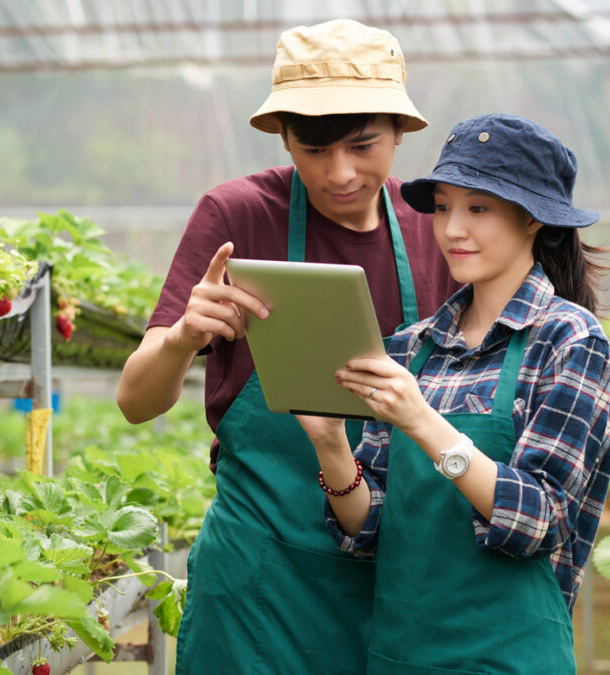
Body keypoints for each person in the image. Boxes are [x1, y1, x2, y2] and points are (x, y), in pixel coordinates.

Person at [116, 18, 460, 674]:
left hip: (396, 571)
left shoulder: (434, 230)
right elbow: (136, 401)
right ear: (282, 136)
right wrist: (186, 336)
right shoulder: (238, 215)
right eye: (313, 148)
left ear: (399, 130)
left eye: (363, 146)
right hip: (258, 583)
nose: (339, 172)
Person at [295, 113, 610, 673]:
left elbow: (537, 520)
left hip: (509, 656)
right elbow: (369, 528)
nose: (451, 229)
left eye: (478, 208)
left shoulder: (569, 341)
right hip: (399, 655)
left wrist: (421, 420)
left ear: (532, 220)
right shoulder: (410, 348)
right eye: (444, 206)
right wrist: (331, 444)